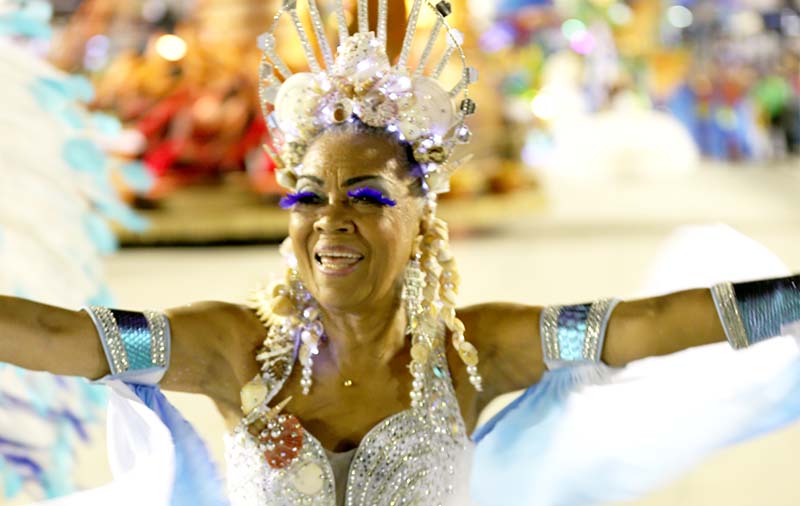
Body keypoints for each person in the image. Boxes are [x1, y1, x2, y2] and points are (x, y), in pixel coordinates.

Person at [2, 1, 800, 505]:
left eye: (369, 198)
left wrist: (794, 297)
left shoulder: (471, 353)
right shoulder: (229, 348)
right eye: (308, 195)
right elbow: (58, 338)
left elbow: (648, 324)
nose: (330, 221)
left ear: (423, 220)